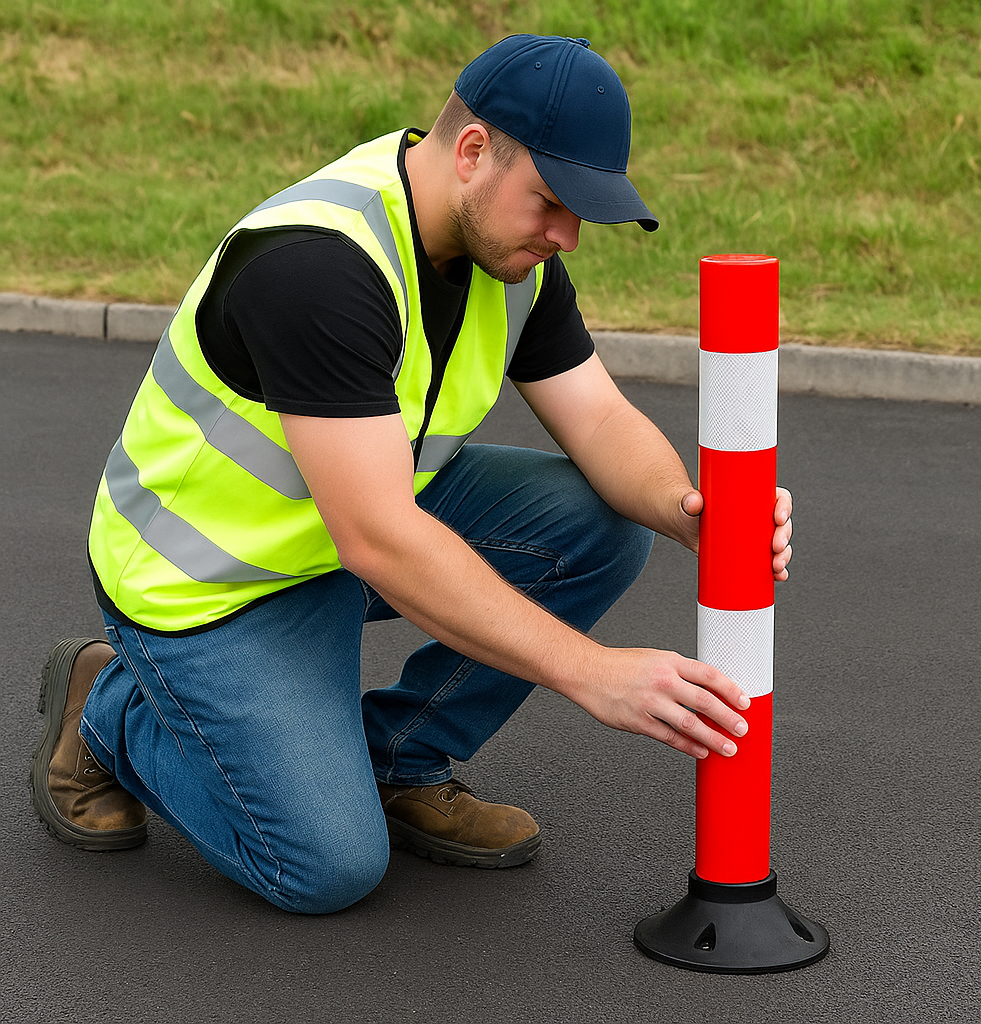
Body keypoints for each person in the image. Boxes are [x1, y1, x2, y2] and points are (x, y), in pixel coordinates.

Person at [31, 35, 793, 913]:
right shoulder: (319, 265)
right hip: (210, 584)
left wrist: (684, 509)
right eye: (552, 203)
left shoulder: (508, 258)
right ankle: (111, 708)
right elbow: (381, 540)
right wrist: (592, 672)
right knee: (324, 867)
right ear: (472, 151)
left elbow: (599, 420)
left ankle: (400, 757)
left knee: (600, 524)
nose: (568, 237)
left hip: (342, 533)